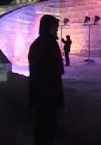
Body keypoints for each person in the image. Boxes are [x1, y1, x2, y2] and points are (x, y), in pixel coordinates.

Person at [28, 14, 64, 145]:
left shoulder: (45, 43)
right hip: (45, 94)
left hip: (46, 94)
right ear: (47, 28)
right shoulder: (45, 45)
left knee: (46, 128)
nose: (56, 30)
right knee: (45, 128)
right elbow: (41, 71)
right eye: (54, 27)